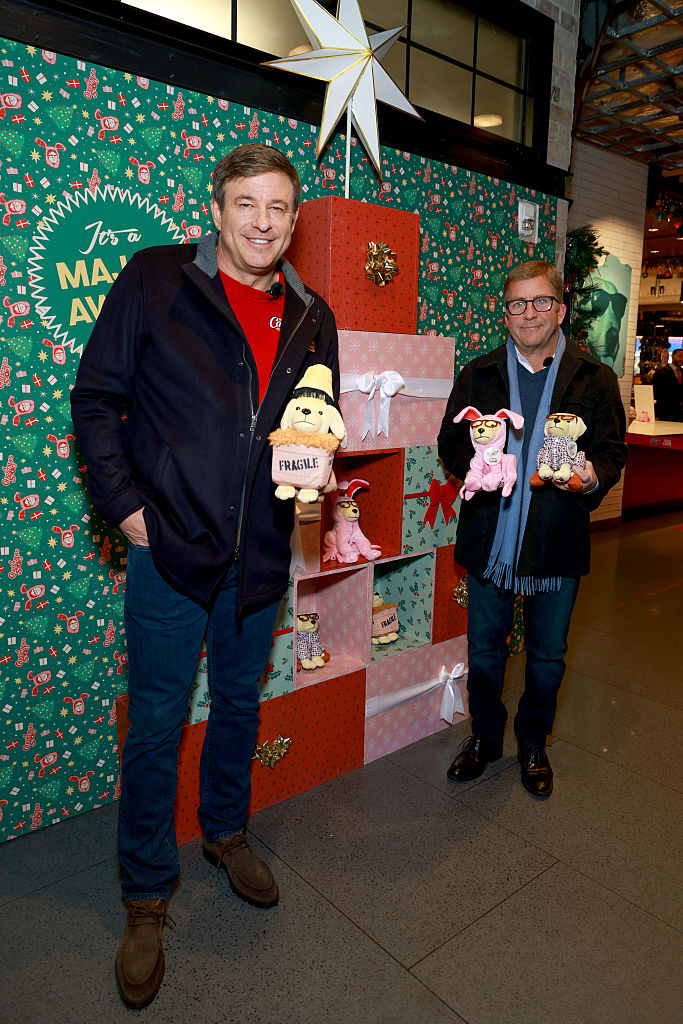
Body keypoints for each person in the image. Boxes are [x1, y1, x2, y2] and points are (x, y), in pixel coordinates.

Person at [70, 144, 340, 1009]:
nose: (264, 223)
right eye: (247, 205)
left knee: (237, 706)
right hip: (169, 552)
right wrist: (125, 510)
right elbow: (95, 397)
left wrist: (317, 469)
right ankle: (146, 893)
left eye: (280, 209)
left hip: (258, 556)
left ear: (294, 220)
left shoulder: (311, 312)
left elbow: (315, 419)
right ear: (217, 209)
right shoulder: (156, 280)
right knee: (153, 724)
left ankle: (225, 831)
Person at [438, 260, 626, 799]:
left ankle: (534, 741)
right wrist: (475, 466)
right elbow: (451, 441)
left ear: (559, 309)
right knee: (485, 649)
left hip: (556, 537)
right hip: (490, 536)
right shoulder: (479, 374)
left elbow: (612, 450)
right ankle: (485, 738)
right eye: (517, 304)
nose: (529, 314)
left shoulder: (595, 378)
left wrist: (591, 476)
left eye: (540, 302)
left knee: (547, 654)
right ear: (505, 313)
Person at [652, 348, 683, 421]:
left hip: (680, 414)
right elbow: (656, 393)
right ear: (672, 356)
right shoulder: (660, 373)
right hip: (666, 413)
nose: (681, 359)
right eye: (679, 356)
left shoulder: (682, 372)